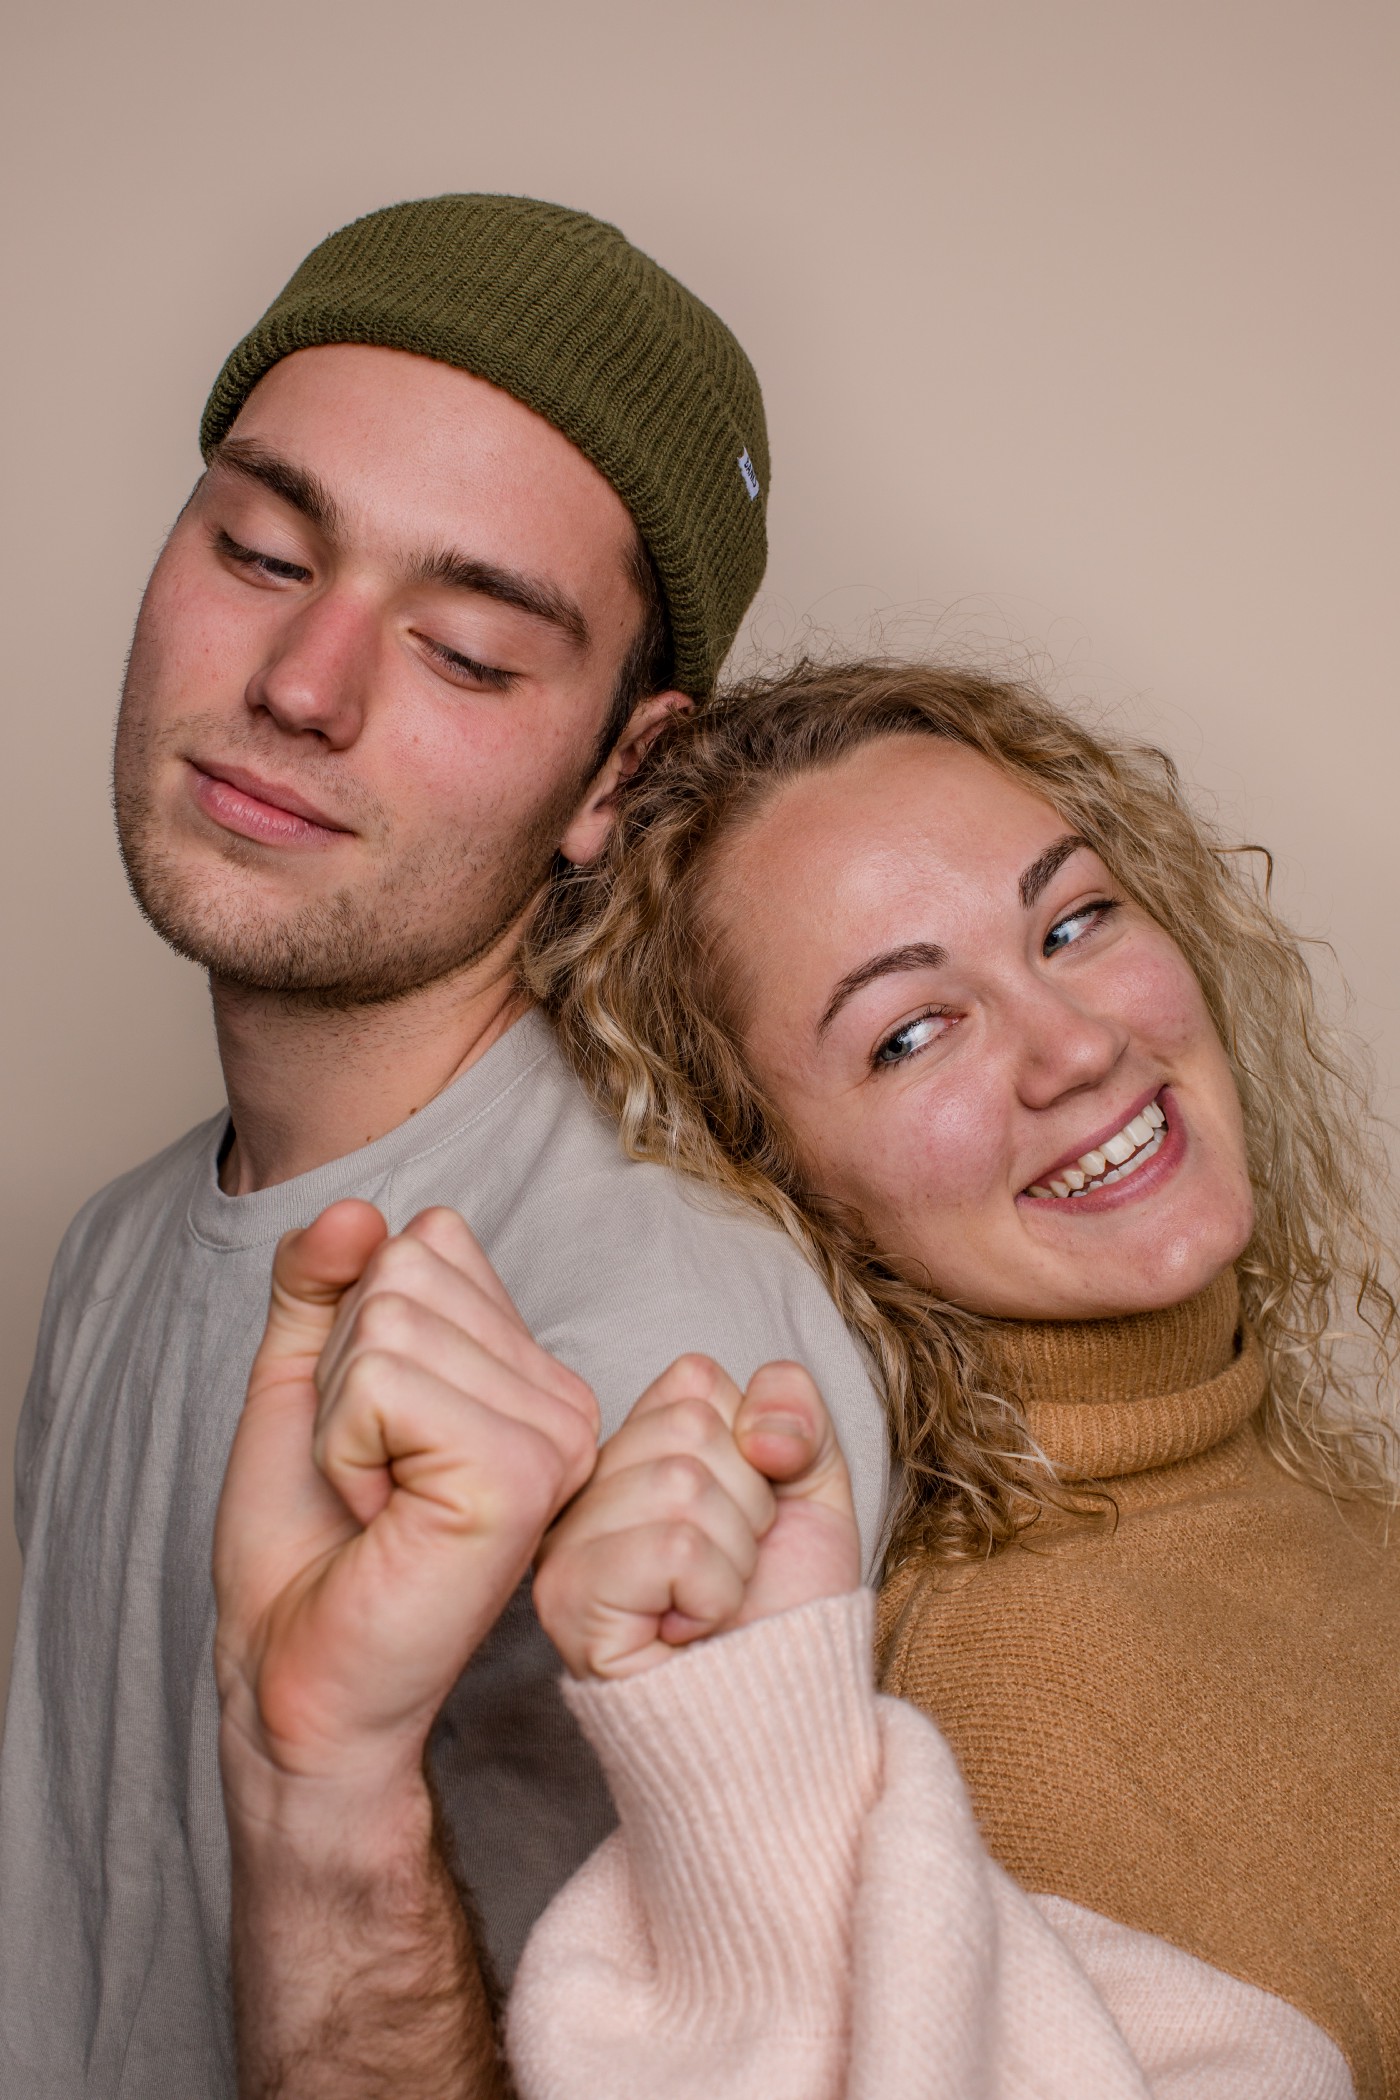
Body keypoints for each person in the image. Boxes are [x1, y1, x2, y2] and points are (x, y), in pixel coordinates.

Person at [0, 202, 891, 2099]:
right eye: (259, 550)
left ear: (621, 780)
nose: (304, 686)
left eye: (471, 653)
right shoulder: (116, 1247)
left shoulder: (667, 1356)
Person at [493, 655, 1397, 2094]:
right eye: (912, 1033)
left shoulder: (1279, 1483)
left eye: (1075, 919)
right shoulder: (1012, 1712)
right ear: (773, 1180)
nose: (1078, 1046)